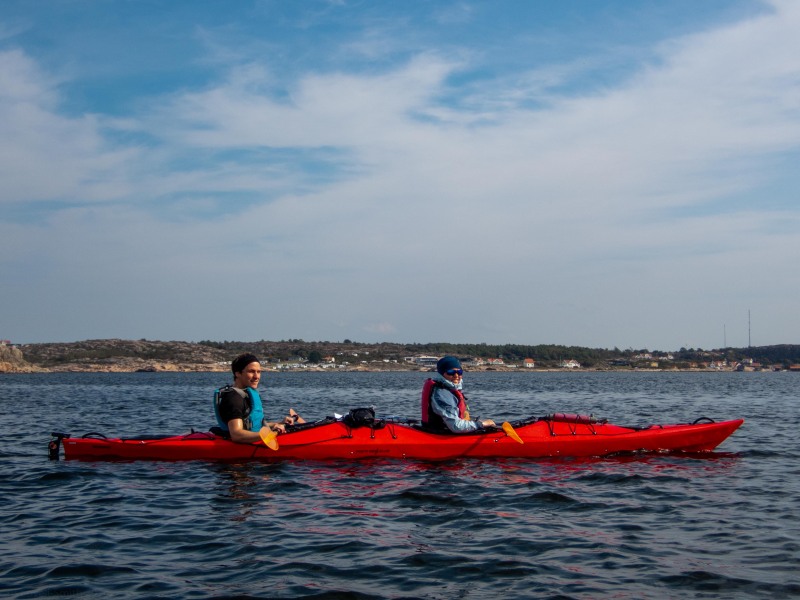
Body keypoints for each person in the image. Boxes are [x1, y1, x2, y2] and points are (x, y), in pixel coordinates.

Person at [213, 353, 304, 444]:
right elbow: (237, 435)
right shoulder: (234, 399)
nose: (257, 376)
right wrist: (269, 434)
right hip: (239, 447)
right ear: (238, 373)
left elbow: (253, 425)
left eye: (259, 372)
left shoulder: (246, 393)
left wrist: (279, 424)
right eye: (251, 371)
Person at [421, 356, 496, 433]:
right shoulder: (442, 394)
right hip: (442, 434)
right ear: (442, 374)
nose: (456, 376)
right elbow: (456, 427)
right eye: (451, 372)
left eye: (459, 372)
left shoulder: (448, 389)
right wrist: (481, 424)